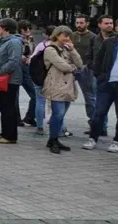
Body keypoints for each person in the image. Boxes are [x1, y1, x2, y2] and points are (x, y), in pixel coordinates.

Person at [42, 26, 82, 154]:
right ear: (57, 35)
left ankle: (54, 139)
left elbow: (80, 63)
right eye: (65, 35)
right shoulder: (50, 49)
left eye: (69, 36)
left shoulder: (66, 49)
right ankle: (53, 139)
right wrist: (73, 67)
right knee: (57, 114)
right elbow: (63, 66)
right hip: (56, 85)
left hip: (68, 87)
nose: (67, 38)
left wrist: (73, 50)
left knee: (61, 115)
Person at [85, 20, 118, 152]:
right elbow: (97, 60)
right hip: (106, 83)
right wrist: (100, 77)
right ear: (117, 28)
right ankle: (93, 138)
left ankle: (116, 141)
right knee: (99, 112)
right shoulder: (108, 42)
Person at [0, 18, 24, 145]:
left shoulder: (14, 42)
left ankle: (10, 136)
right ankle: (4, 132)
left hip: (9, 80)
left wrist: (0, 71)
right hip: (2, 79)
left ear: (5, 28)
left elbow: (14, 60)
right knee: (3, 107)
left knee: (8, 107)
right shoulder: (3, 41)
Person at [73, 13, 97, 130]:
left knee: (90, 97)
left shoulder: (93, 37)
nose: (79, 25)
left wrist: (89, 66)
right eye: (77, 22)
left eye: (81, 23)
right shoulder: (71, 35)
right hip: (71, 68)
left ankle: (95, 124)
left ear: (87, 23)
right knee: (62, 95)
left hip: (86, 69)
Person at [17, 20, 37, 127]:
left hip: (27, 68)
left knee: (35, 94)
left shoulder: (31, 39)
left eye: (29, 28)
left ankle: (29, 117)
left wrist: (31, 57)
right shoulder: (16, 39)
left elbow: (33, 52)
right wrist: (20, 56)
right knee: (15, 95)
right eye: (25, 28)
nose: (28, 30)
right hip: (17, 68)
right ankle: (16, 119)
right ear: (20, 29)